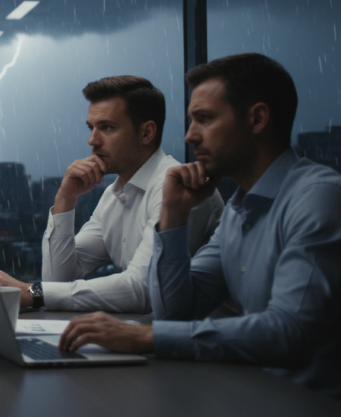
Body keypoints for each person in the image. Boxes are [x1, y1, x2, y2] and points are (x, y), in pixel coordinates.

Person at [59, 54, 341, 398]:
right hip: (247, 392)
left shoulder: (317, 197)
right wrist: (174, 214)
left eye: (204, 119)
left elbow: (289, 333)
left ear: (257, 119)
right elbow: (175, 312)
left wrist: (146, 337)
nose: (190, 136)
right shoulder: (239, 208)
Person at [0, 76, 223, 312]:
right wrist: (65, 198)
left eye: (107, 128)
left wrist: (34, 292)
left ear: (147, 133)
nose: (92, 141)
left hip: (187, 342)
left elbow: (142, 289)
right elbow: (59, 280)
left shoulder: (178, 188)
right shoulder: (113, 195)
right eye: (91, 128)